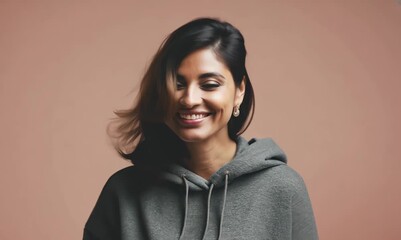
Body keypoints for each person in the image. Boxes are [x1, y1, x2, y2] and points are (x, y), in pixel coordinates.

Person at [83, 17, 318, 240]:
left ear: (239, 91)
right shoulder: (123, 192)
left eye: (209, 84)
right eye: (177, 83)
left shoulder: (282, 188)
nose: (189, 99)